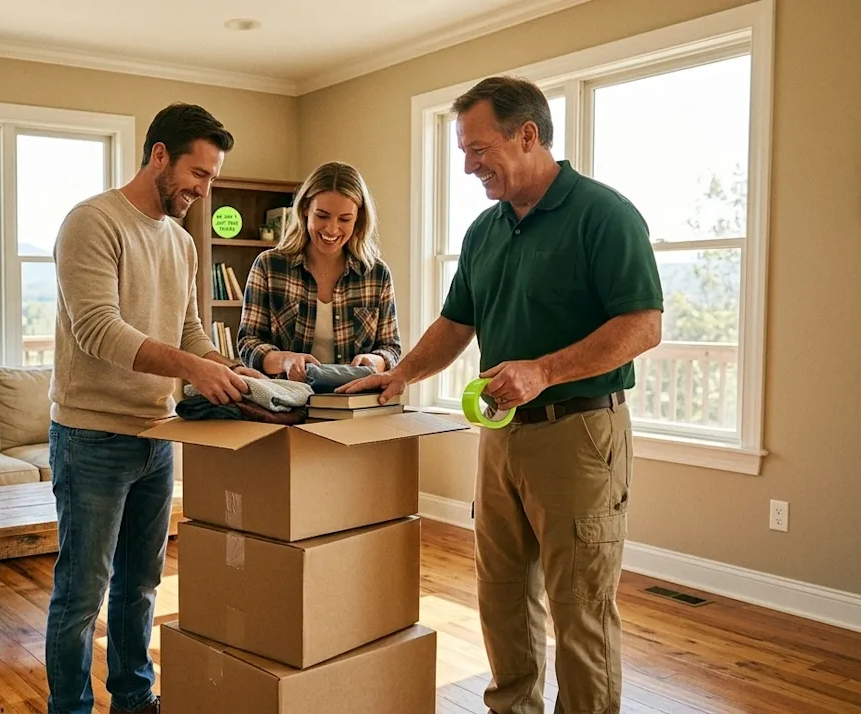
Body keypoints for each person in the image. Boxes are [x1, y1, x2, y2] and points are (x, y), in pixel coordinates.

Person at [340, 76, 663, 714]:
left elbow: (643, 325)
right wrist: (403, 373)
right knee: (503, 591)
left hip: (579, 434)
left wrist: (543, 371)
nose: (468, 166)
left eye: (479, 148)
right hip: (502, 432)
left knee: (581, 608)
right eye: (463, 151)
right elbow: (458, 323)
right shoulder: (486, 230)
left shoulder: (604, 214)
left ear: (528, 135)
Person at [46, 102, 264, 714]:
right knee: (81, 594)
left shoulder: (182, 242)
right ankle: (69, 708)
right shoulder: (92, 222)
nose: (205, 188)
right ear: (159, 156)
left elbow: (191, 329)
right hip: (90, 438)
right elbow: (97, 330)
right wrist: (193, 369)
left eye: (213, 176)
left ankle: (134, 700)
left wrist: (224, 365)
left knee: (140, 587)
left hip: (157, 435)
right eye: (199, 173)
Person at [235, 161, 401, 384]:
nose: (332, 229)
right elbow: (249, 343)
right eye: (322, 216)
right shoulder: (269, 266)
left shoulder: (377, 274)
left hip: (354, 401)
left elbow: (391, 348)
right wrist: (285, 360)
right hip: (286, 400)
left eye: (344, 219)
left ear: (358, 219)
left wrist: (374, 361)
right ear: (305, 210)